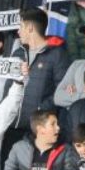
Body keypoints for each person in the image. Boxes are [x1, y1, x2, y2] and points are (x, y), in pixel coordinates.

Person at [16, 8, 72, 146]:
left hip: (41, 128)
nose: (18, 32)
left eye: (20, 27)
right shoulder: (18, 54)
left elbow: (63, 90)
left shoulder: (58, 54)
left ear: (30, 28)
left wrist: (41, 110)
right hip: (13, 125)